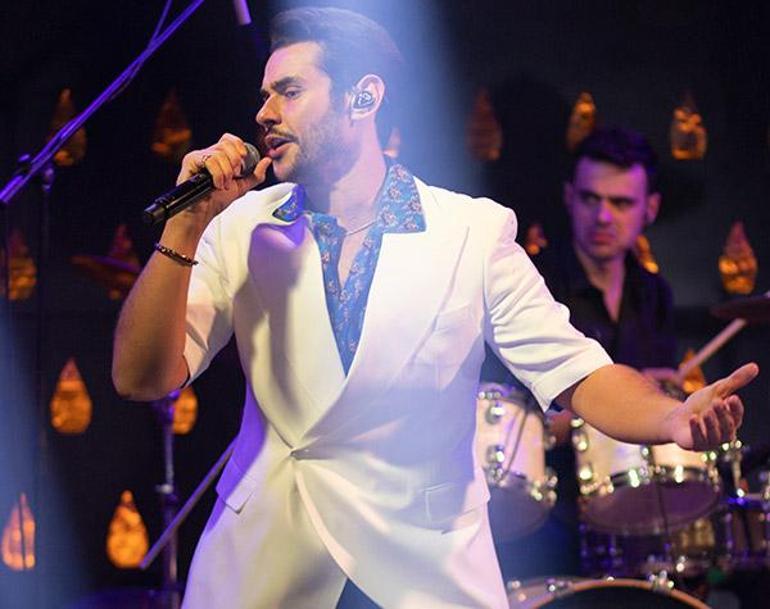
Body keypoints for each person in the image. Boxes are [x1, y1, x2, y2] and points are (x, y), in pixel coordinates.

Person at [112, 8, 756, 609]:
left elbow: (578, 372)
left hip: (418, 567)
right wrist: (184, 227)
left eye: (290, 91)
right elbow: (141, 378)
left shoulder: (470, 232)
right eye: (264, 95)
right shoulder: (242, 224)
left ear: (363, 97)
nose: (264, 113)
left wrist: (671, 418)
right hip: (266, 561)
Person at [486, 127, 681, 580]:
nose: (603, 216)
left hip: (631, 508)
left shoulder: (654, 294)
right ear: (569, 198)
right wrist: (617, 405)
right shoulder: (530, 287)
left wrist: (660, 398)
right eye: (591, 199)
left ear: (650, 208)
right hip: (548, 515)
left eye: (622, 203)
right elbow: (507, 425)